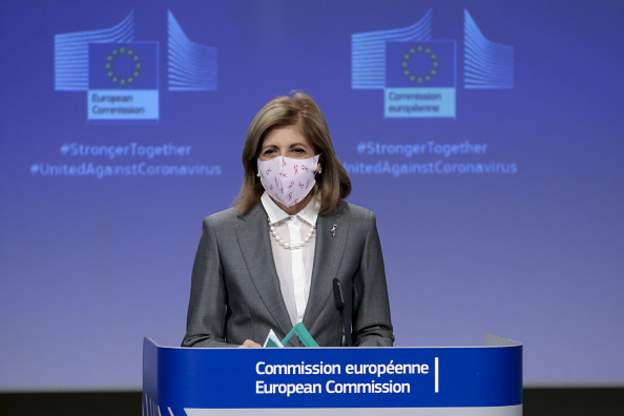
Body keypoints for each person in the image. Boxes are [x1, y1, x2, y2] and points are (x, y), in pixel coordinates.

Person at [182, 92, 394, 348]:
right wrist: (238, 356)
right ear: (256, 166)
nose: (283, 163)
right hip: (251, 375)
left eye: (297, 150)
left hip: (330, 376)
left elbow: (376, 333)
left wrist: (343, 366)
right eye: (271, 151)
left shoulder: (358, 226)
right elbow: (198, 340)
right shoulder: (221, 232)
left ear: (319, 161)